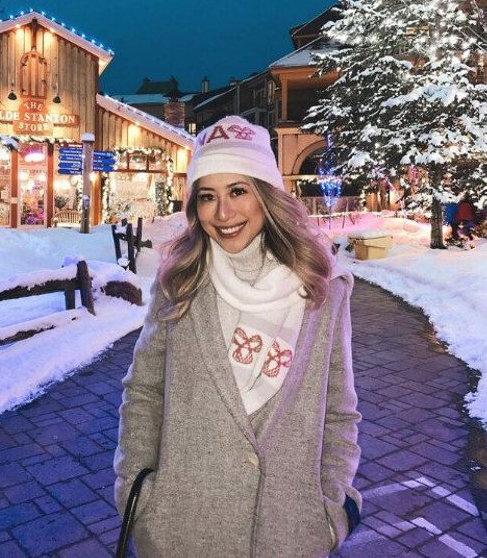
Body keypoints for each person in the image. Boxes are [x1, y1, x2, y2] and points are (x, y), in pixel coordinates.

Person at [114, 116, 361, 557]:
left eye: (238, 191)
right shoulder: (180, 284)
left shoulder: (323, 289)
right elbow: (144, 392)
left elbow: (339, 411)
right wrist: (139, 495)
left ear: (267, 195)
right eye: (207, 196)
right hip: (181, 532)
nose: (223, 213)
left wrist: (331, 507)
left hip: (289, 534)